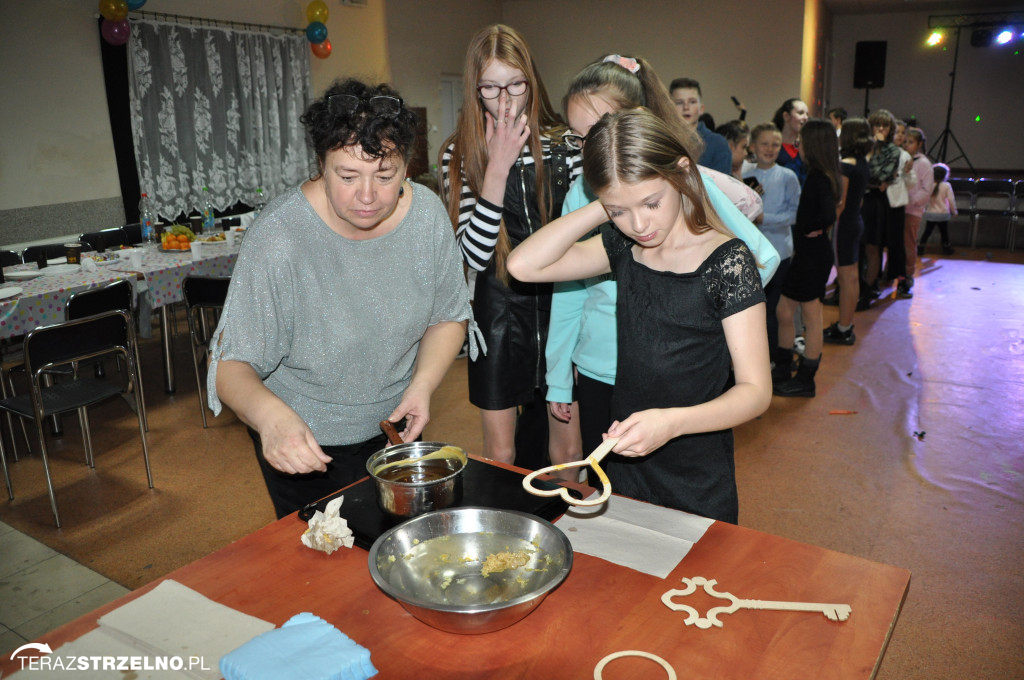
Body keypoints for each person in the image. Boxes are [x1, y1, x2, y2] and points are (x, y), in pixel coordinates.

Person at [208, 79, 471, 518]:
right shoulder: (279, 236)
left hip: (394, 429)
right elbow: (229, 364)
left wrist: (423, 386)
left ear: (406, 167)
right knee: (321, 562)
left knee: (397, 540)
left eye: (385, 176)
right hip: (304, 440)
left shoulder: (425, 216)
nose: (367, 196)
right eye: (347, 176)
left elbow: (447, 316)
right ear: (320, 166)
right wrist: (271, 419)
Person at [507, 108, 771, 523]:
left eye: (651, 202)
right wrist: (607, 203)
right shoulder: (623, 245)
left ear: (682, 174)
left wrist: (671, 424)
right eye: (620, 212)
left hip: (695, 466)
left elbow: (756, 391)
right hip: (626, 461)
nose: (640, 224)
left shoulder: (727, 261)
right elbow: (524, 266)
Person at [545, 53, 778, 459]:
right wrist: (558, 376)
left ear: (631, 122)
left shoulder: (678, 184)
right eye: (578, 138)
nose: (588, 149)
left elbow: (758, 260)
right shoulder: (590, 198)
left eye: (597, 131)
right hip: (602, 367)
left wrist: (704, 321)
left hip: (673, 378)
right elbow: (560, 287)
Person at [439, 24, 581, 469]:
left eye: (516, 84)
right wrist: (496, 166)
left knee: (569, 451)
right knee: (501, 453)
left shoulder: (567, 145)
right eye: (490, 87)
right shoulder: (458, 153)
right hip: (497, 313)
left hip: (564, 305)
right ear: (474, 88)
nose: (505, 100)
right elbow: (474, 257)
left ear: (531, 82)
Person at [773, 119, 841, 397]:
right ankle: (783, 367)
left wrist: (811, 229)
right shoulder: (820, 174)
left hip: (813, 255)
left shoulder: (820, 177)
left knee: (812, 316)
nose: (798, 145)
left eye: (803, 141)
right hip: (810, 254)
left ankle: (805, 379)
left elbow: (828, 215)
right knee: (784, 311)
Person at [743, 123, 800, 379]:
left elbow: (793, 214)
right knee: (751, 310)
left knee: (773, 310)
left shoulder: (788, 176)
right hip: (750, 252)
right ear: (753, 146)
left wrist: (764, 217)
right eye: (764, 144)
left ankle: (775, 359)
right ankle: (752, 360)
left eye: (775, 144)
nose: (769, 149)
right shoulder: (743, 172)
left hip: (779, 253)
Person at [823, 118, 872, 346]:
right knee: (851, 276)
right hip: (855, 221)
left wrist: (827, 227)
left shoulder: (847, 165)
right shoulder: (862, 162)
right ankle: (846, 324)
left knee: (846, 277)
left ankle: (843, 328)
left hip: (844, 225)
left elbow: (839, 203)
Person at [859, 108, 902, 308]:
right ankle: (853, 289)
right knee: (856, 249)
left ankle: (867, 293)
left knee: (872, 248)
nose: (881, 129)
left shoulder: (893, 150)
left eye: (885, 125)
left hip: (876, 204)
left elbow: (878, 177)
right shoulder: (863, 146)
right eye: (878, 124)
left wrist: (870, 174)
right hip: (858, 200)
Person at [881, 119, 917, 294]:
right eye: (897, 132)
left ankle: (901, 279)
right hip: (880, 204)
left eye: (903, 133)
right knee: (875, 244)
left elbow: (912, 184)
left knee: (896, 244)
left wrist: (908, 173)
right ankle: (876, 278)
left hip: (896, 206)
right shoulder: (880, 153)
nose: (901, 136)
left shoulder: (905, 156)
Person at [669, 77, 732, 175]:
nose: (686, 107)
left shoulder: (718, 144)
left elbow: (720, 187)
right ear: (670, 108)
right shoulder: (664, 140)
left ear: (701, 109)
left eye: (692, 102)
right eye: (679, 103)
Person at [900, 126, 933, 297]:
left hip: (912, 210)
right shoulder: (902, 158)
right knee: (897, 242)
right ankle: (895, 272)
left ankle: (908, 274)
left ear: (919, 144)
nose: (906, 145)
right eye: (905, 142)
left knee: (908, 242)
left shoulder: (924, 164)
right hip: (899, 207)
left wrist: (912, 201)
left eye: (911, 142)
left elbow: (926, 190)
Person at [919, 163, 957, 256]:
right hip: (943, 214)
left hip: (930, 213)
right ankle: (946, 249)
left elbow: (924, 199)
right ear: (945, 175)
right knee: (944, 233)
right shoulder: (946, 185)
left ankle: (920, 248)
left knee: (927, 231)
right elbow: (951, 200)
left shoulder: (929, 185)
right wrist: (954, 211)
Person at [772, 98, 810, 185]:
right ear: (786, 116)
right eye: (800, 113)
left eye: (807, 114)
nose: (805, 118)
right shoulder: (772, 144)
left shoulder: (807, 145)